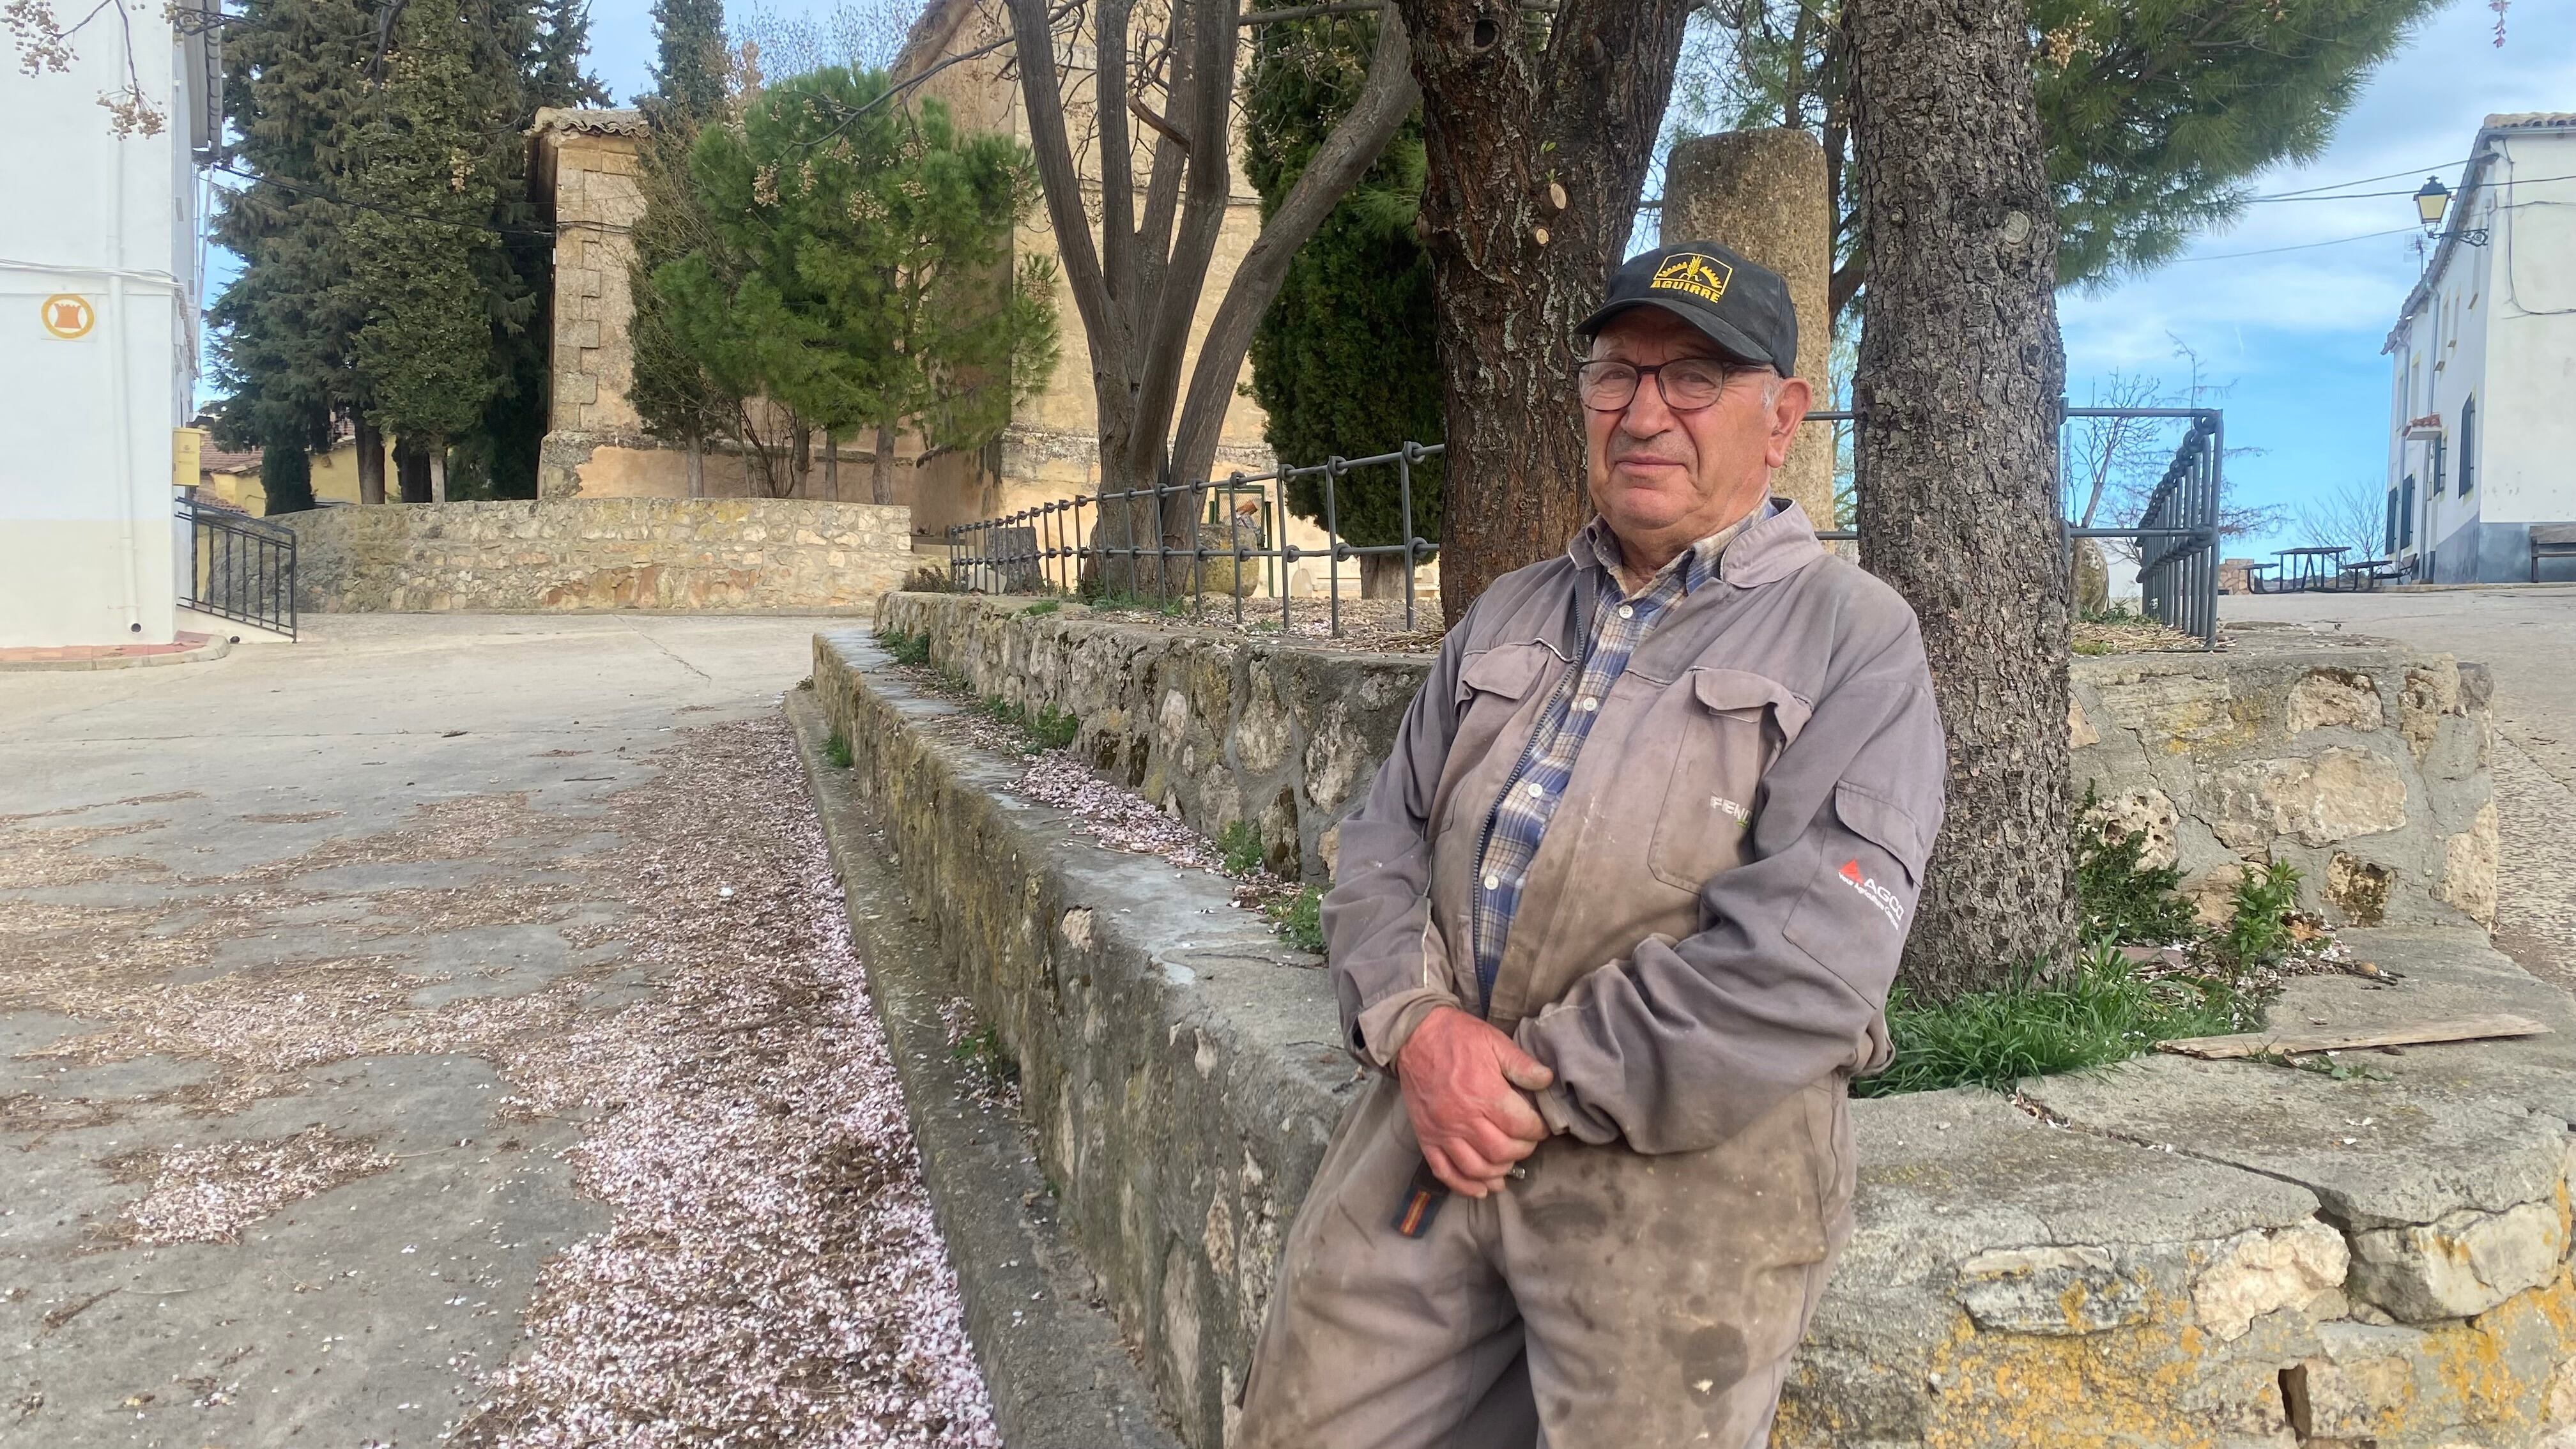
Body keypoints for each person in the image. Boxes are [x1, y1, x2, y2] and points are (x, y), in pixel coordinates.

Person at [1234, 241, 1947, 1449]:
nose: (1645, 413)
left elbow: (1808, 964)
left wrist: (1530, 1080)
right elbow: (1379, 842)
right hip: (1436, 1130)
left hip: (1683, 1186)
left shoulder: (1856, 639)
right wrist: (1417, 1028)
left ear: (1781, 420)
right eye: (1617, 375)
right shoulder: (1506, 612)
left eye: (1695, 380)